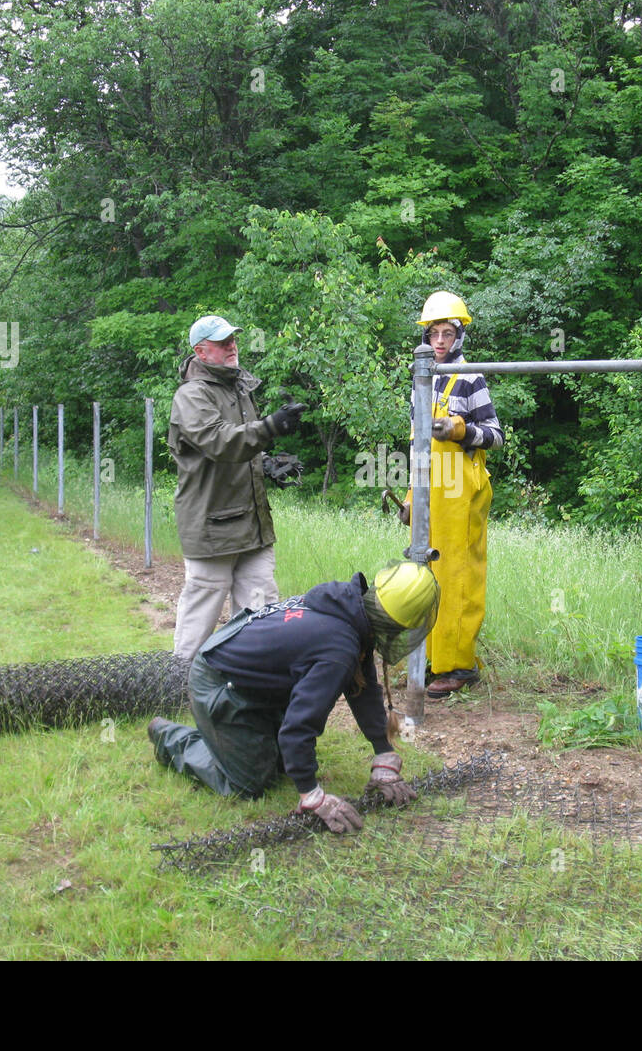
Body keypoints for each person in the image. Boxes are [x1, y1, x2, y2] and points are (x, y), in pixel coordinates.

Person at [147, 561, 439, 832]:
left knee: (281, 763)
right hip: (218, 679)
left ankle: (238, 738)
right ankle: (171, 738)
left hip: (251, 676)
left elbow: (361, 687)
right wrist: (312, 796)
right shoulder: (338, 647)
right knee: (249, 781)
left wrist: (383, 752)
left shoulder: (349, 609)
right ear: (397, 626)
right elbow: (299, 728)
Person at [168, 314, 306, 660]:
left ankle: (253, 684)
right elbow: (219, 442)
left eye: (233, 339)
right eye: (222, 342)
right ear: (201, 351)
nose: (232, 347)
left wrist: (266, 464)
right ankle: (178, 688)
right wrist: (271, 427)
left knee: (261, 611)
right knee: (201, 614)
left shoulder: (238, 388)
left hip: (253, 525)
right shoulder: (192, 395)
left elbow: (242, 448)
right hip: (212, 527)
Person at [404, 292, 503, 695]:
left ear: (459, 336)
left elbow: (496, 436)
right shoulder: (421, 379)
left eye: (447, 333)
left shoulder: (470, 377)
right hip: (431, 491)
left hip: (462, 492)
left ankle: (459, 667)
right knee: (427, 575)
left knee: (460, 576)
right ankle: (432, 660)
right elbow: (417, 448)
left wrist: (462, 430)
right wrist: (412, 498)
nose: (439, 341)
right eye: (433, 334)